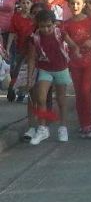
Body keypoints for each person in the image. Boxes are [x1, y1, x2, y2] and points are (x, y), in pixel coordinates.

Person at [27, 10, 75, 145]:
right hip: (45, 69)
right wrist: (30, 78)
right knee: (40, 97)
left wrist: (76, 51)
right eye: (42, 26)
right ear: (38, 25)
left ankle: (63, 127)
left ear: (55, 24)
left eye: (49, 25)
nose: (46, 29)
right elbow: (31, 58)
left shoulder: (60, 33)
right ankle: (42, 129)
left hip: (61, 68)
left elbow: (72, 45)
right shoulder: (34, 38)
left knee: (61, 99)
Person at [62, 0, 91, 138]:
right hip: (74, 62)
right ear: (68, 5)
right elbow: (64, 39)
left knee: (86, 90)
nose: (75, 6)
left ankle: (89, 124)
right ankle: (83, 124)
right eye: (72, 3)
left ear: (84, 4)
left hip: (90, 61)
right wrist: (74, 47)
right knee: (79, 93)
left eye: (78, 3)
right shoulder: (66, 24)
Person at [6, 0, 35, 103]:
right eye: (23, 3)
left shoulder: (34, 18)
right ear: (20, 4)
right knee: (15, 70)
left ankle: (22, 94)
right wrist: (8, 48)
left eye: (28, 3)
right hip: (20, 48)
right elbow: (12, 33)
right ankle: (11, 88)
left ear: (31, 3)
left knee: (27, 72)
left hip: (32, 49)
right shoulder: (16, 17)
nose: (26, 5)